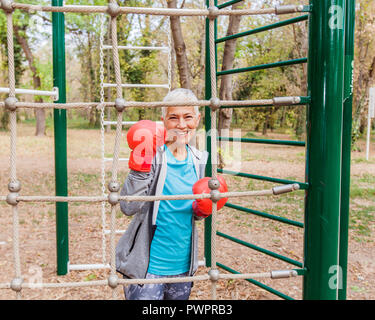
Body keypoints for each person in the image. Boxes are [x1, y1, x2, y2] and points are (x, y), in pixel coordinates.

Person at [116, 88, 227, 300]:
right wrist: (141, 165)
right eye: (173, 117)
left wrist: (203, 209)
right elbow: (128, 207)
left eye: (188, 117)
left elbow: (193, 214)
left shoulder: (199, 160)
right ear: (163, 121)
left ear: (197, 118)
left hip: (183, 267)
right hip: (147, 268)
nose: (182, 125)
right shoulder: (153, 155)